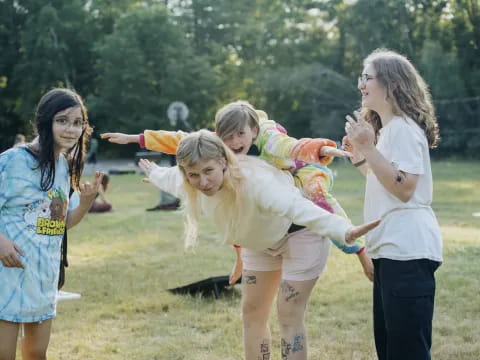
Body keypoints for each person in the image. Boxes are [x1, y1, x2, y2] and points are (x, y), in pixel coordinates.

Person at [139, 130, 380, 360]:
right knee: (252, 314)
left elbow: (299, 208)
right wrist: (153, 173)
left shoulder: (256, 183)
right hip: (261, 244)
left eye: (209, 171)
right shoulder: (188, 180)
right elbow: (169, 177)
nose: (203, 181)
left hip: (300, 235)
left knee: (288, 314)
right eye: (193, 175)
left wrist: (345, 231)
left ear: (223, 162)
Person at [101, 102, 374, 286]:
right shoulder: (219, 144)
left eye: (240, 135)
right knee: (231, 209)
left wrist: (322, 149)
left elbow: (292, 146)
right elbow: (181, 139)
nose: (233, 143)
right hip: (252, 196)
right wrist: (136, 138)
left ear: (253, 131)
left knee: (317, 199)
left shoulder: (268, 137)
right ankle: (241, 260)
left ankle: (361, 252)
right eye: (226, 136)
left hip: (294, 174)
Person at [343, 49, 442, 360]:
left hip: (407, 250)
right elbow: (382, 181)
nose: (361, 85)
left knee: (406, 351)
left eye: (367, 78)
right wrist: (361, 152)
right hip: (390, 250)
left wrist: (369, 148)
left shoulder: (403, 128)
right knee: (389, 348)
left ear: (392, 84)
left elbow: (405, 189)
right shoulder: (389, 131)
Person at [0, 88, 104, 360]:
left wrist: (85, 203)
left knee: (36, 352)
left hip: (43, 275)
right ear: (45, 121)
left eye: (78, 122)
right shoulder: (12, 160)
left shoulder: (64, 166)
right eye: (63, 120)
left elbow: (58, 224)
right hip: (6, 274)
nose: (71, 129)